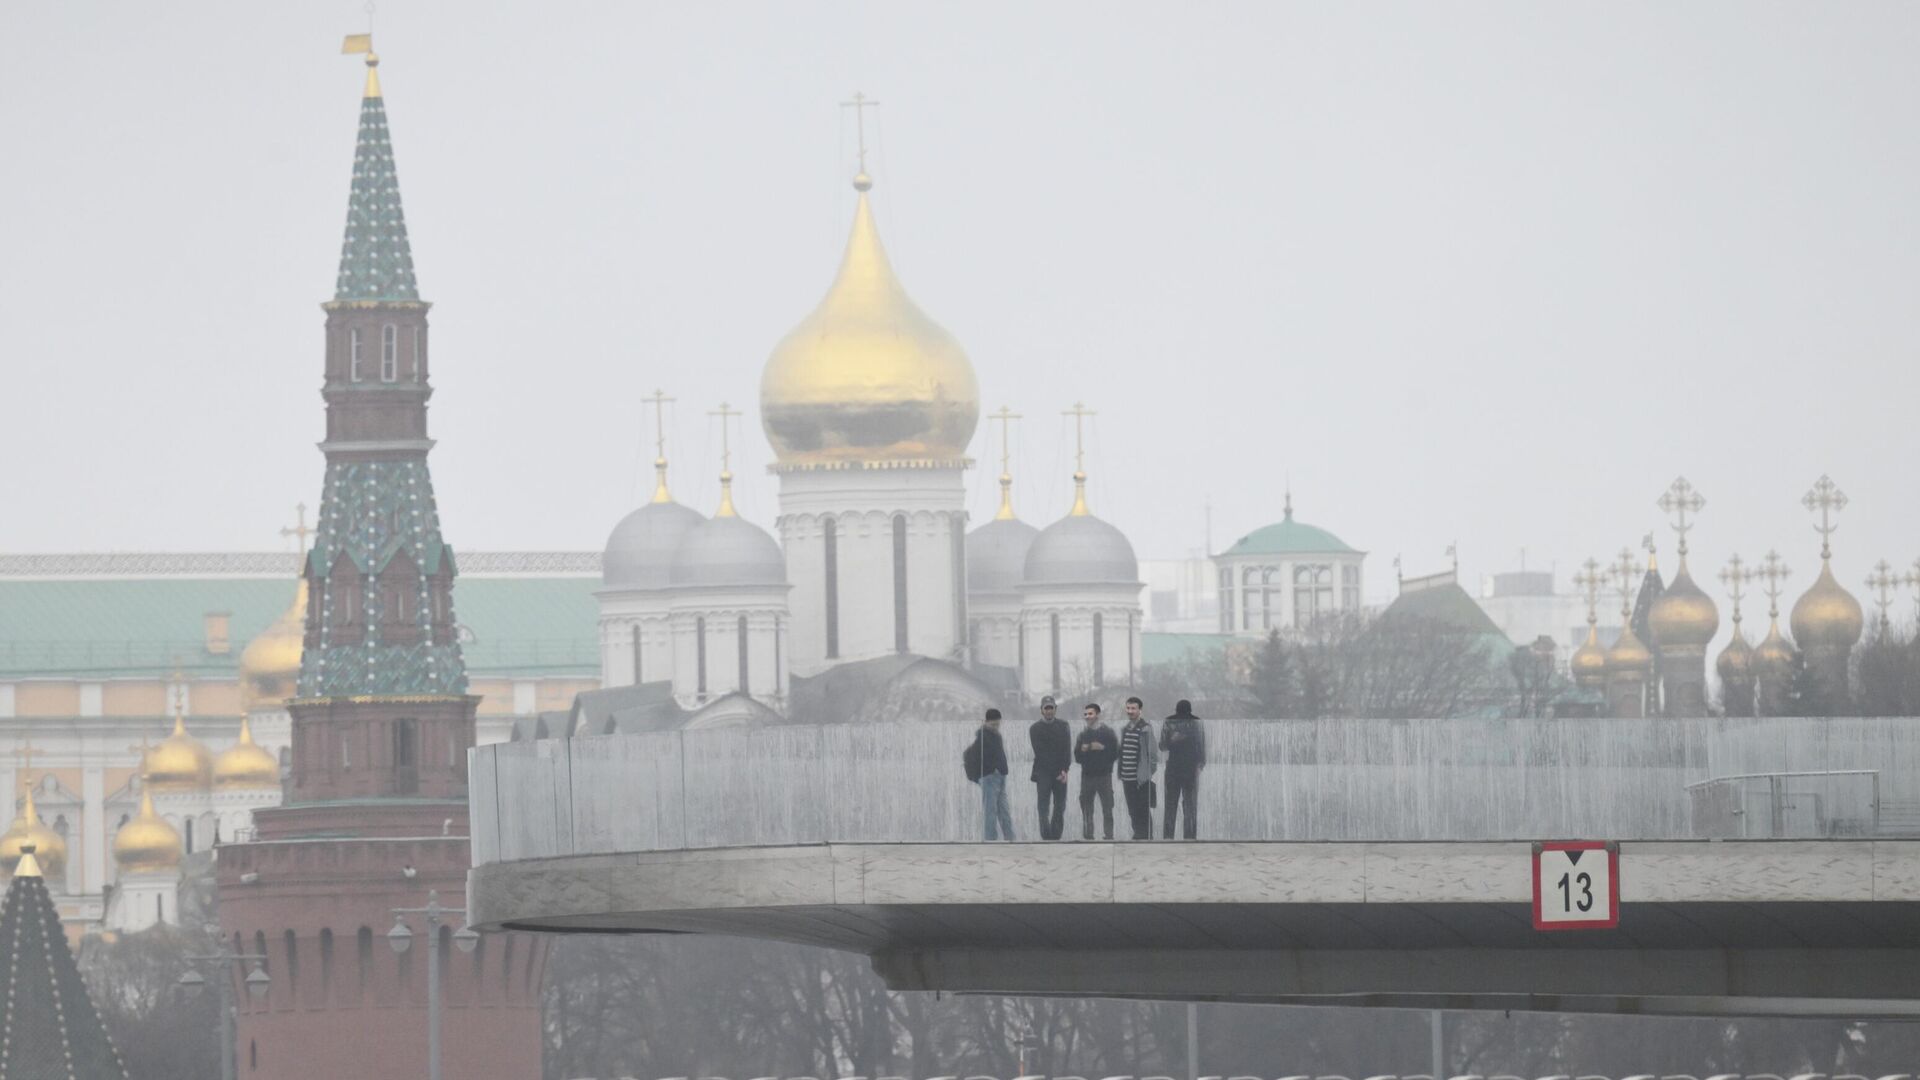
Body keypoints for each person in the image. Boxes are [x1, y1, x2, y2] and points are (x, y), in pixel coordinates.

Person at [965, 709, 1015, 841]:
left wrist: (1002, 770)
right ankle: (991, 840)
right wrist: (988, 772)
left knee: (1003, 811)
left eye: (998, 724)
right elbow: (979, 757)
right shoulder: (983, 736)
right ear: (987, 722)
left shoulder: (995, 735)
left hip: (999, 776)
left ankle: (1010, 839)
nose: (996, 726)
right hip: (990, 777)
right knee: (991, 812)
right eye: (994, 724)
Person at [1159, 699, 1206, 840]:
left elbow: (1162, 746)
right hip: (1190, 768)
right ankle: (1190, 839)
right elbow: (1201, 746)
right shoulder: (1196, 722)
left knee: (1170, 806)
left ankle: (1168, 838)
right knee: (1190, 806)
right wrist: (1200, 765)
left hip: (1173, 767)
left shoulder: (1169, 722)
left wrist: (1172, 740)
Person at [1072, 702, 1118, 840]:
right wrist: (1083, 750)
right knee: (1086, 808)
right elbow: (1077, 758)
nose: (1087, 716)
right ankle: (1088, 836)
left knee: (1108, 807)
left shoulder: (1108, 733)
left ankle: (1109, 836)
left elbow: (1116, 753)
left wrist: (1102, 748)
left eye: (1090, 713)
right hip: (1087, 776)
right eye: (1085, 714)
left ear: (1098, 714)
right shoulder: (1082, 735)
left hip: (1104, 776)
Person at [1028, 696, 1072, 840]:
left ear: (1055, 709)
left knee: (1060, 807)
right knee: (1043, 807)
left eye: (1051, 708)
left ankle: (1056, 838)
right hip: (1043, 773)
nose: (1049, 711)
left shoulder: (1064, 726)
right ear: (1041, 710)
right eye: (1046, 708)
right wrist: (1058, 770)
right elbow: (1041, 752)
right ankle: (1046, 837)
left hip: (1061, 772)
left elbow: (1067, 750)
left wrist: (1065, 770)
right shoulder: (1034, 729)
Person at [1116, 695, 1159, 840]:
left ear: (1140, 710)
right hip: (1127, 778)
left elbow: (1153, 755)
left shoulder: (1146, 729)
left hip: (1140, 779)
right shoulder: (1125, 729)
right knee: (1132, 811)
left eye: (1133, 708)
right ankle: (1138, 836)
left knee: (1143, 810)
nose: (1130, 711)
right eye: (1128, 708)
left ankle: (1147, 837)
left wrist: (1146, 774)